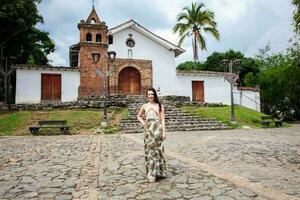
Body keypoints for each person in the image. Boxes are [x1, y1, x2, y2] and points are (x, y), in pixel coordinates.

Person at [137, 88, 167, 183]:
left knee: (158, 151)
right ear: (147, 95)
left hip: (157, 129)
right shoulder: (145, 106)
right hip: (149, 130)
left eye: (152, 94)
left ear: (155, 95)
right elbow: (138, 116)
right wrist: (143, 123)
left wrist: (164, 132)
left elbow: (162, 119)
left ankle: (160, 172)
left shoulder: (159, 105)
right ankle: (151, 173)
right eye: (149, 94)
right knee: (150, 151)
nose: (150, 96)